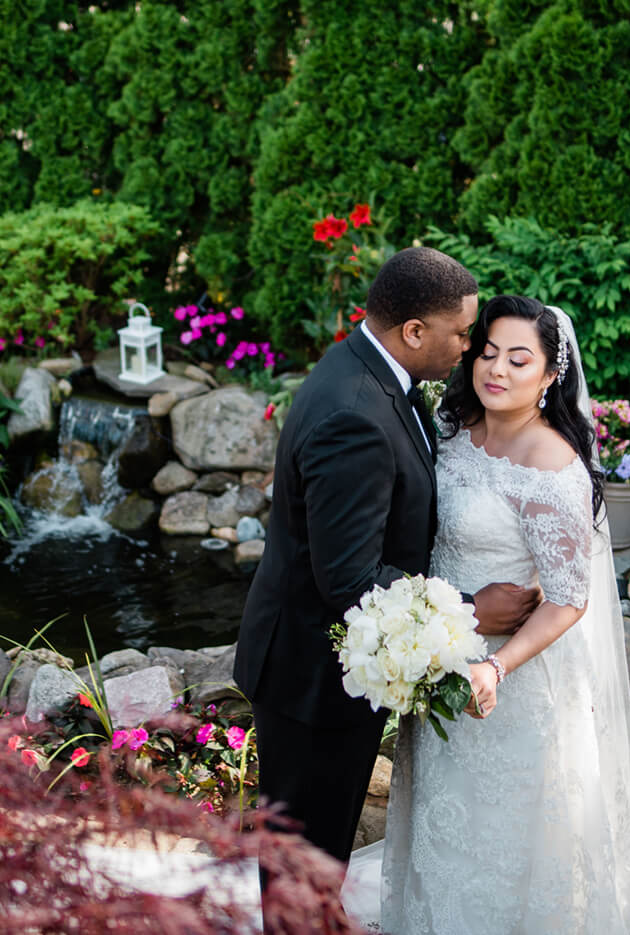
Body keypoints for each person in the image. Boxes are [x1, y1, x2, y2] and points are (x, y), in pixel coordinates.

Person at [365, 295, 630, 934]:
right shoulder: (452, 428)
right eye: (487, 353)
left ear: (549, 376)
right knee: (439, 808)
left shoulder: (552, 467)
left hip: (514, 677)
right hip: (439, 651)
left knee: (504, 826)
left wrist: (496, 669)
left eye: (519, 359)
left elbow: (569, 599)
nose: (497, 370)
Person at [234, 249, 540, 880]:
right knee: (304, 871)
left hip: (330, 670)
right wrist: (473, 608)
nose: (468, 347)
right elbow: (348, 579)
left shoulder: (373, 371)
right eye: (461, 334)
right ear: (414, 333)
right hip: (311, 682)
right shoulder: (355, 415)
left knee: (317, 863)